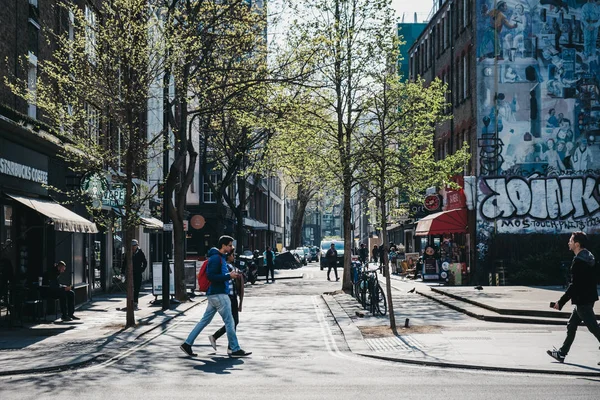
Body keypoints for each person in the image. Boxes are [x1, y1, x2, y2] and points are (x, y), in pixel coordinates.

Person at [180, 235, 251, 358]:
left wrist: (229, 275)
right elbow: (211, 276)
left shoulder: (220, 258)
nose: (231, 247)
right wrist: (229, 276)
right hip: (219, 294)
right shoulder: (216, 259)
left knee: (204, 321)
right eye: (229, 245)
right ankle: (234, 349)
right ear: (223, 245)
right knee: (230, 322)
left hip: (214, 295)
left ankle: (187, 344)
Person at [547, 231, 600, 364]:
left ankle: (562, 353)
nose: (568, 242)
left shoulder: (578, 262)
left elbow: (574, 285)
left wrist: (561, 302)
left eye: (571, 240)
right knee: (572, 325)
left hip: (582, 300)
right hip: (588, 297)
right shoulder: (589, 257)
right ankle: (562, 353)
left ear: (577, 244)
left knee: (594, 328)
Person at [208, 248, 244, 352]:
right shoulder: (225, 266)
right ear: (228, 256)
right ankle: (228, 344)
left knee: (233, 321)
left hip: (233, 296)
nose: (234, 257)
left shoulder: (232, 266)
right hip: (227, 296)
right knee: (232, 321)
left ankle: (228, 345)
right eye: (233, 255)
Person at [121, 239, 147, 310]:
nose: (133, 247)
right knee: (130, 288)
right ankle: (130, 302)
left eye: (134, 246)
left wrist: (141, 270)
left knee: (137, 288)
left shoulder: (140, 252)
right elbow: (124, 263)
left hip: (138, 273)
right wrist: (123, 272)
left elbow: (145, 262)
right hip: (130, 273)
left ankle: (135, 303)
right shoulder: (128, 253)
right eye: (132, 246)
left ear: (137, 245)